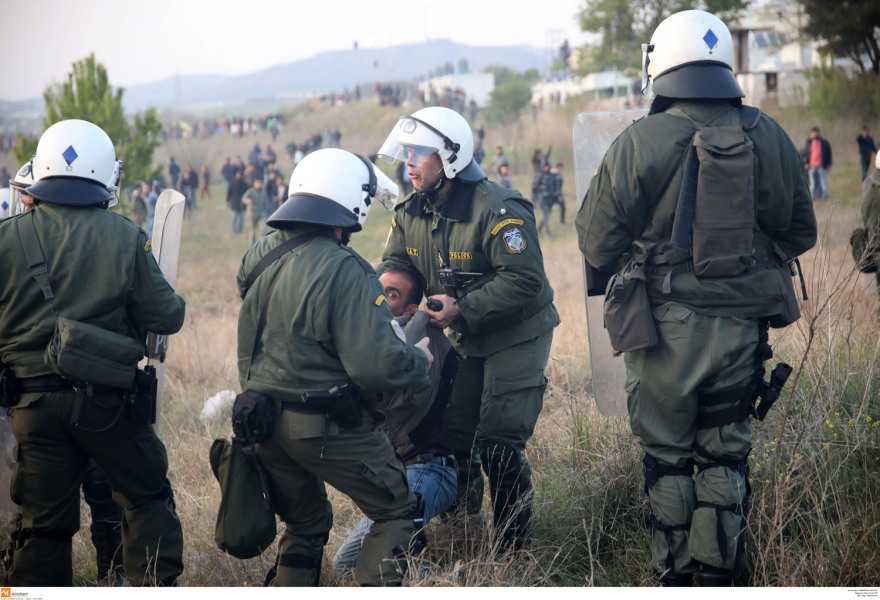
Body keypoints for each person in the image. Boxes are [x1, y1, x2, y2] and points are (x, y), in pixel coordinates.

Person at [576, 10, 817, 586]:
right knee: (724, 453)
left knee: (668, 458)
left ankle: (675, 577)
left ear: (658, 64)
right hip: (741, 329)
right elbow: (800, 232)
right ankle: (718, 576)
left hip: (662, 331)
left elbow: (594, 239)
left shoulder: (639, 139)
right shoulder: (770, 133)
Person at [0, 118, 186, 586]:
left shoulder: (5, 238)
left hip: (29, 408)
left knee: (41, 527)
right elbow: (168, 317)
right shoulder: (125, 236)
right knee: (147, 496)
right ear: (107, 173)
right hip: (106, 405)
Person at [236, 148, 432, 586]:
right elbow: (378, 367)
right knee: (396, 510)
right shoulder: (348, 270)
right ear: (348, 204)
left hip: (262, 420)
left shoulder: (259, 256)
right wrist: (418, 359)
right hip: (322, 424)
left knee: (304, 525)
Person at [378, 106, 560, 548]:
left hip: (517, 334)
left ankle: (514, 547)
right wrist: (383, 298)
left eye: (419, 153)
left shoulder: (498, 208)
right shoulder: (410, 211)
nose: (409, 163)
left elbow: (525, 279)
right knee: (452, 440)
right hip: (461, 336)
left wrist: (463, 307)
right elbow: (397, 265)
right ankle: (462, 534)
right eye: (407, 153)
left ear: (450, 158)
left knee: (499, 443)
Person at [333, 263, 459, 576]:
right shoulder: (367, 341)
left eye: (390, 294)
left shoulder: (424, 341)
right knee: (345, 565)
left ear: (412, 308)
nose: (378, 296)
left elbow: (400, 403)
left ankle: (451, 584)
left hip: (428, 470)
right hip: (394, 476)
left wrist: (417, 323)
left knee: (383, 561)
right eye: (377, 288)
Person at [801, 127, 832, 200]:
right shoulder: (808, 143)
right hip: (812, 166)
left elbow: (829, 154)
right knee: (813, 183)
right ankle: (813, 197)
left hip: (822, 166)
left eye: (816, 133)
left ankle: (825, 197)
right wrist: (806, 163)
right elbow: (804, 154)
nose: (815, 135)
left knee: (823, 183)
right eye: (813, 133)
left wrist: (829, 164)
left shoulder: (824, 143)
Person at [531, 162, 557, 238]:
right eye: (545, 166)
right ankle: (548, 233)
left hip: (550, 199)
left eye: (547, 166)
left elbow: (555, 186)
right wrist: (533, 199)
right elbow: (534, 188)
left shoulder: (552, 176)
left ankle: (538, 229)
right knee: (546, 214)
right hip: (542, 198)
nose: (546, 168)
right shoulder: (539, 176)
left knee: (546, 216)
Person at [242, 178, 270, 245]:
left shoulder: (264, 192)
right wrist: (247, 200)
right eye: (257, 183)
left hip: (261, 214)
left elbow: (266, 202)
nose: (258, 185)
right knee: (252, 230)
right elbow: (243, 198)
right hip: (252, 214)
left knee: (264, 228)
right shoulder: (250, 191)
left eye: (260, 183)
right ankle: (252, 245)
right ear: (254, 184)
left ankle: (262, 244)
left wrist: (267, 212)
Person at [227, 169, 247, 234]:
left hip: (242, 203)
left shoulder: (244, 183)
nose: (238, 176)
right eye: (237, 174)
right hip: (234, 203)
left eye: (239, 174)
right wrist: (228, 200)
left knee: (241, 218)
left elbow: (247, 192)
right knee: (234, 218)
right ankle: (234, 230)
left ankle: (240, 229)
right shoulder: (232, 183)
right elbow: (229, 192)